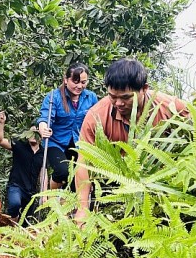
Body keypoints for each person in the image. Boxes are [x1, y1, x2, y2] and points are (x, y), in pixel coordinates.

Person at [74, 58, 189, 222]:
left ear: (144, 89)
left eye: (126, 97)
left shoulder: (170, 107)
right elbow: (84, 162)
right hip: (115, 185)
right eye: (112, 96)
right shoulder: (96, 116)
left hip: (164, 185)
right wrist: (82, 209)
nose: (118, 103)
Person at [36, 62, 99, 191]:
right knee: (62, 171)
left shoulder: (91, 97)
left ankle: (71, 207)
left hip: (80, 143)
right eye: (75, 82)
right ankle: (51, 199)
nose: (79, 86)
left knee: (78, 178)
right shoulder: (54, 96)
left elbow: (98, 118)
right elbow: (45, 116)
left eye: (83, 82)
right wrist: (43, 127)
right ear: (66, 80)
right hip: (56, 143)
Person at [0, 112, 43, 220]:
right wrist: (1, 123)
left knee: (27, 220)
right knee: (15, 204)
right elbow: (0, 140)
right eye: (31, 132)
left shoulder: (43, 153)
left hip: (31, 191)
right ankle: (13, 221)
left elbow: (43, 173)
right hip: (16, 185)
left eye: (36, 132)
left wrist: (44, 193)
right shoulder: (20, 145)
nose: (33, 135)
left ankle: (15, 229)